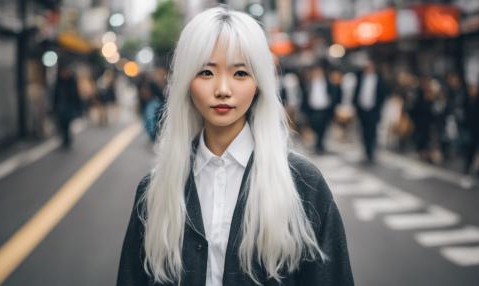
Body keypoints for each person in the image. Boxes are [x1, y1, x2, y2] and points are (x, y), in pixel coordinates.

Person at [117, 7, 353, 286]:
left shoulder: (303, 184)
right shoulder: (155, 190)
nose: (223, 89)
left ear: (259, 84)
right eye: (206, 72)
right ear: (185, 82)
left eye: (240, 73)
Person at [301, 64, 340, 153]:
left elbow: (333, 93)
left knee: (323, 128)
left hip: (324, 109)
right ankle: (318, 143)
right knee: (315, 126)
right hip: (313, 109)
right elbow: (305, 96)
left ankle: (319, 145)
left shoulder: (327, 83)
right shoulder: (309, 83)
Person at [353, 61, 387, 163]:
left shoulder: (379, 80)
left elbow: (383, 94)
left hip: (373, 110)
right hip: (362, 109)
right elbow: (356, 93)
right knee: (364, 131)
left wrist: (378, 106)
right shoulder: (360, 78)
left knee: (372, 131)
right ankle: (367, 151)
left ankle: (371, 152)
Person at [52, 61, 82, 149]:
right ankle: (65, 139)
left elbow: (76, 95)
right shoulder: (59, 82)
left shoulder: (72, 82)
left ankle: (67, 140)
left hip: (69, 107)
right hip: (60, 107)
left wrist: (79, 108)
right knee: (61, 125)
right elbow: (55, 96)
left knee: (67, 124)